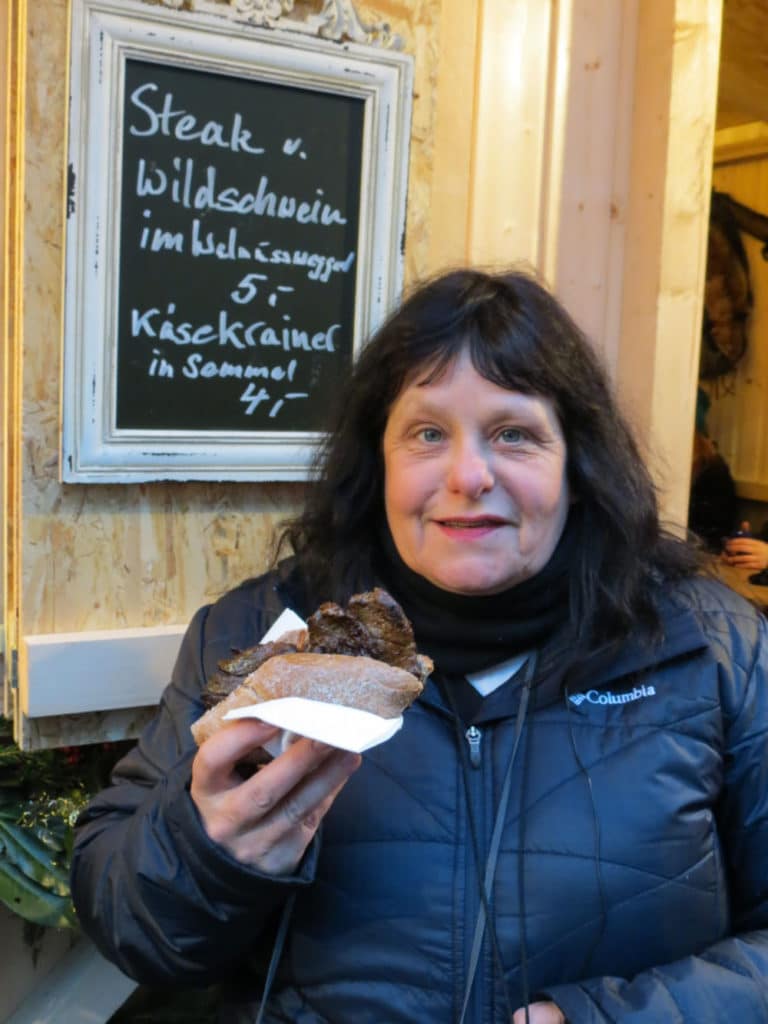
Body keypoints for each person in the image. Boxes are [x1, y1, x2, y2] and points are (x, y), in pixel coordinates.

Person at [71, 268, 768, 1024]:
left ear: (579, 465)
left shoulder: (711, 647)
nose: (469, 476)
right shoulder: (264, 633)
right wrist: (208, 852)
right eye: (428, 433)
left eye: (515, 434)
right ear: (380, 462)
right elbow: (130, 921)